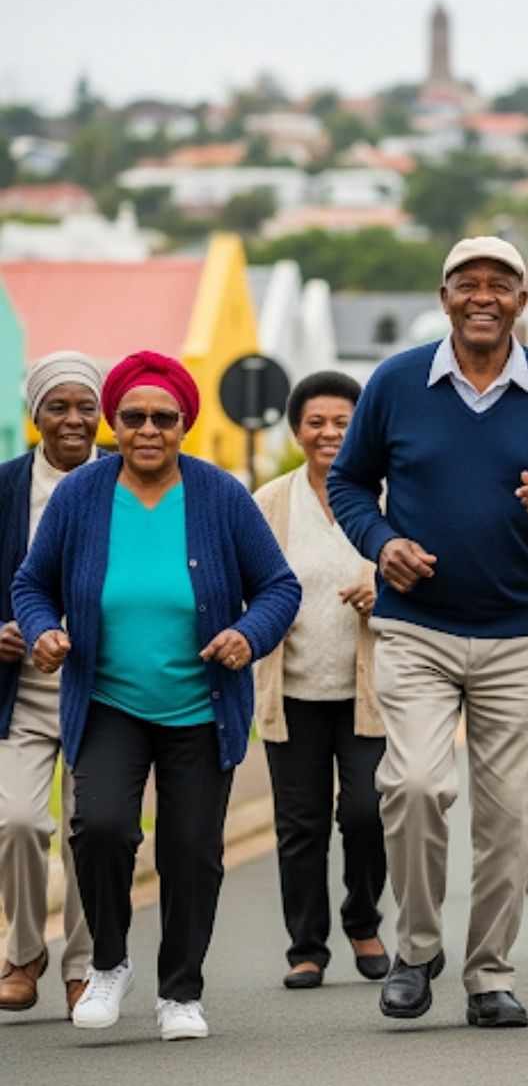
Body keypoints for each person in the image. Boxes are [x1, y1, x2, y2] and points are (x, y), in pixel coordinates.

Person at [327, 236, 528, 1029]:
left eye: (501, 285)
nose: (483, 297)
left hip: (521, 634)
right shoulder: (396, 381)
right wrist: (382, 541)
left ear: (522, 301)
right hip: (417, 627)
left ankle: (490, 971)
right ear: (445, 295)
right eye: (468, 284)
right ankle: (417, 947)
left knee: (508, 817)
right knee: (417, 783)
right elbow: (348, 482)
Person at [12, 350, 300, 1041]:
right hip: (108, 699)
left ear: (183, 423)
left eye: (162, 417)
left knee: (192, 848)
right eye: (133, 416)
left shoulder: (219, 494)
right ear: (114, 422)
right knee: (102, 827)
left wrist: (246, 634)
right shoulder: (83, 495)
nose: (147, 429)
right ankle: (109, 962)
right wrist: (45, 629)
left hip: (200, 705)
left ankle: (181, 991)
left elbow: (278, 586)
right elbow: (32, 582)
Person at [252, 371, 389, 991]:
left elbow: (427, 575)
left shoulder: (389, 497)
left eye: (342, 421)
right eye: (316, 422)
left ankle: (363, 920)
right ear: (297, 429)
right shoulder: (270, 502)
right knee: (299, 823)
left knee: (366, 813)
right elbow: (248, 584)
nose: (329, 432)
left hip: (372, 692)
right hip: (292, 691)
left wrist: (382, 594)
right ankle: (306, 947)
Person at [0, 352, 104, 1019]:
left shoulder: (127, 483)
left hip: (101, 688)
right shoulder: (6, 487)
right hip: (20, 694)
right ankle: (23, 950)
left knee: (91, 828)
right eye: (57, 406)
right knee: (15, 820)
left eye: (85, 406)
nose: (72, 419)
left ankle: (84, 964)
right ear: (33, 415)